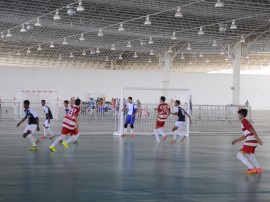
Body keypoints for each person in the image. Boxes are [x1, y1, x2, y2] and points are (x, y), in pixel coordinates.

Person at [232, 109, 263, 174]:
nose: (238, 116)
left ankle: (251, 168)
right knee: (249, 154)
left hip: (251, 140)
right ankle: (258, 168)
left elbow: (251, 129)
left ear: (241, 115)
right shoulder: (245, 122)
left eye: (239, 114)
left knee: (239, 155)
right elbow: (245, 136)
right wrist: (236, 140)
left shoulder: (244, 121)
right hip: (253, 140)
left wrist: (258, 138)